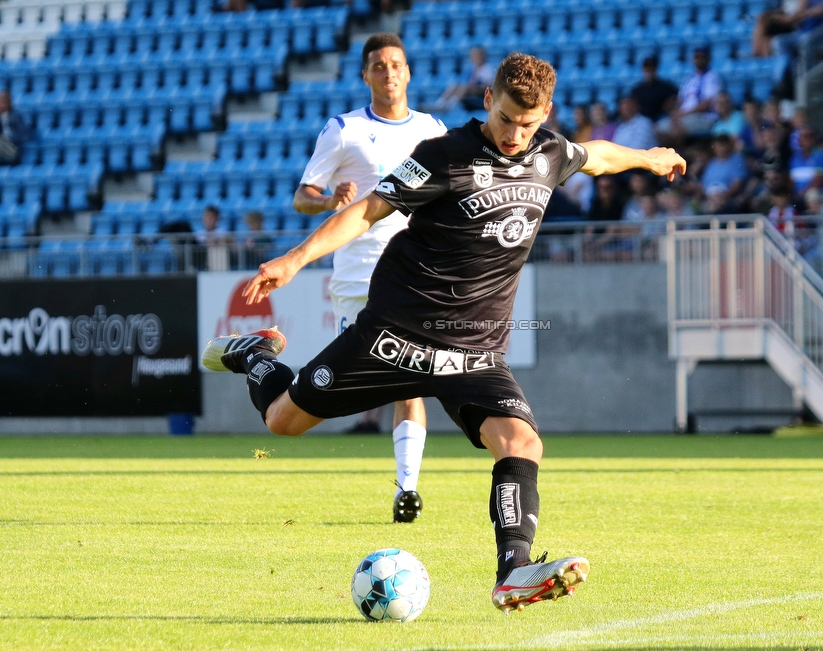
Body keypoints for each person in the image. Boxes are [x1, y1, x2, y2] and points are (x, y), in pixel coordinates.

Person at [202, 52, 686, 613]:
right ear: (488, 101)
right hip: (396, 335)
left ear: (546, 114)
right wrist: (295, 258)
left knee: (522, 442)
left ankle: (514, 570)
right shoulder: (442, 155)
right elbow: (368, 211)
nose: (514, 134)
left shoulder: (551, 151)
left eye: (527, 123)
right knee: (283, 421)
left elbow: (597, 156)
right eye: (505, 118)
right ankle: (256, 355)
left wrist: (648, 158)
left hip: (475, 349)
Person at [290, 33, 447, 521]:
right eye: (378, 65)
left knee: (410, 381)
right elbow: (303, 196)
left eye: (395, 64)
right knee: (329, 392)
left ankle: (407, 488)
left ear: (408, 72)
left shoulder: (433, 129)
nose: (388, 72)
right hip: (357, 278)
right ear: (365, 75)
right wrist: (328, 200)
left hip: (414, 273)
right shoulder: (343, 130)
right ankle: (258, 363)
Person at [669, 47, 722, 137]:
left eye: (702, 57)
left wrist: (683, 114)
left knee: (678, 129)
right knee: (660, 127)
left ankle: (679, 150)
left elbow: (707, 104)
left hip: (704, 117)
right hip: (684, 116)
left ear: (708, 59)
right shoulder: (689, 79)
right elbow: (680, 100)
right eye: (696, 57)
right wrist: (675, 113)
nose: (699, 60)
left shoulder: (712, 77)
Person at [434, 45, 496, 112]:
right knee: (455, 85)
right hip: (471, 89)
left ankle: (450, 105)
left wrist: (476, 84)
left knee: (465, 88)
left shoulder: (487, 68)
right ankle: (440, 103)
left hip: (481, 92)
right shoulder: (473, 69)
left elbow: (488, 85)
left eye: (477, 55)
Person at [630, 55, 678, 124]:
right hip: (641, 122)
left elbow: (676, 99)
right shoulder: (637, 90)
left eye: (652, 67)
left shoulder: (666, 87)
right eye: (647, 67)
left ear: (656, 68)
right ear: (643, 69)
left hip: (661, 119)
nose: (649, 69)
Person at [0, 90, 29, 165]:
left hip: (13, 146)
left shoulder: (16, 116)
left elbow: (22, 135)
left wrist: (9, 139)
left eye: (3, 102)